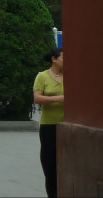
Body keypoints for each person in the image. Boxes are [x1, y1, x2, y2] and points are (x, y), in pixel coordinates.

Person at [33, 47, 65, 198]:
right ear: (54, 59)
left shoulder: (70, 77)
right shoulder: (42, 76)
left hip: (66, 126)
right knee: (49, 165)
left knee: (65, 164)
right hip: (48, 127)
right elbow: (38, 98)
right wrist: (59, 99)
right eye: (63, 58)